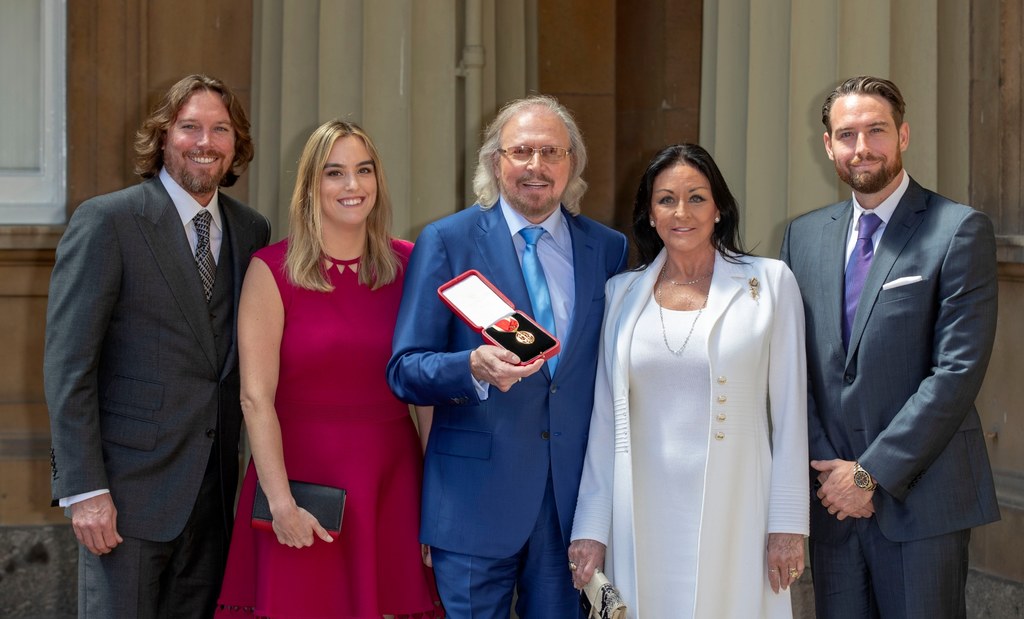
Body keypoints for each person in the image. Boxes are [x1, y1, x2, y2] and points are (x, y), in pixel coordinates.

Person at [387, 95, 628, 617]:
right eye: (521, 151)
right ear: (496, 162)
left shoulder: (608, 250)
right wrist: (470, 367)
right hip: (473, 503)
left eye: (551, 152)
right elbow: (405, 369)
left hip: (569, 507)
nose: (536, 166)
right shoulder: (447, 241)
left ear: (572, 164)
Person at [44, 74, 271, 618]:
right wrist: (84, 490)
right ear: (163, 136)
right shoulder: (107, 221)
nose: (204, 142)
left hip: (215, 498)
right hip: (125, 501)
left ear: (235, 143)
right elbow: (69, 366)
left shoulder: (251, 231)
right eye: (189, 126)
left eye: (220, 129)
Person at [780, 76, 1000, 617]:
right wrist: (832, 476)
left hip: (922, 501)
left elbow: (956, 372)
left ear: (902, 135)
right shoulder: (803, 237)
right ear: (827, 145)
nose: (862, 148)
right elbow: (791, 366)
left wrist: (870, 473)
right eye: (846, 134)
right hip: (834, 504)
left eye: (876, 130)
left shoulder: (958, 230)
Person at [568, 144, 809, 617]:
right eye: (666, 200)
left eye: (697, 197)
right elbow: (603, 421)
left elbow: (791, 414)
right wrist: (591, 528)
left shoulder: (771, 283)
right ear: (649, 214)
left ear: (719, 208)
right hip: (642, 509)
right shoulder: (621, 294)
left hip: (739, 503)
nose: (682, 212)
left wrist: (787, 523)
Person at [214, 120, 443, 618]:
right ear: (311, 185)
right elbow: (255, 397)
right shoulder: (271, 270)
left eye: (364, 171)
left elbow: (426, 394)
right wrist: (278, 503)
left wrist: (439, 506)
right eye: (334, 173)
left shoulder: (412, 265)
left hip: (392, 482)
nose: (352, 186)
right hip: (297, 483)